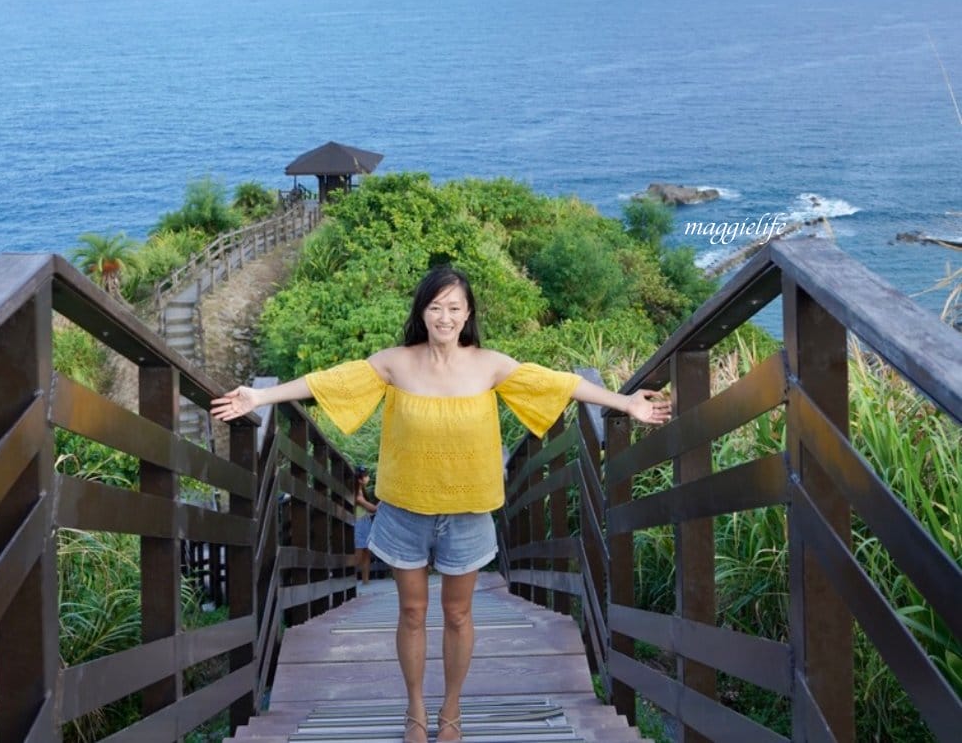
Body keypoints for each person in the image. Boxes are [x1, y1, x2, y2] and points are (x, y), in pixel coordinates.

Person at [211, 266, 670, 743]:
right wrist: (259, 395)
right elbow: (329, 383)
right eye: (435, 307)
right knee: (411, 613)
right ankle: (415, 707)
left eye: (454, 307)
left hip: (468, 514)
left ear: (468, 312)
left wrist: (625, 404)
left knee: (458, 615)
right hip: (405, 511)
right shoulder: (396, 363)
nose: (444, 317)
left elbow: (559, 385)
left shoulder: (489, 364)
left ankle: (451, 707)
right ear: (422, 312)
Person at [354, 465, 378, 583]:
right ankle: (349, 580)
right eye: (365, 476)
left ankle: (366, 580)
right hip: (358, 523)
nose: (367, 478)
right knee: (358, 553)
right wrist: (383, 502)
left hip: (365, 521)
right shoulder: (357, 495)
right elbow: (373, 509)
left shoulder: (361, 492)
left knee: (366, 552)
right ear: (359, 479)